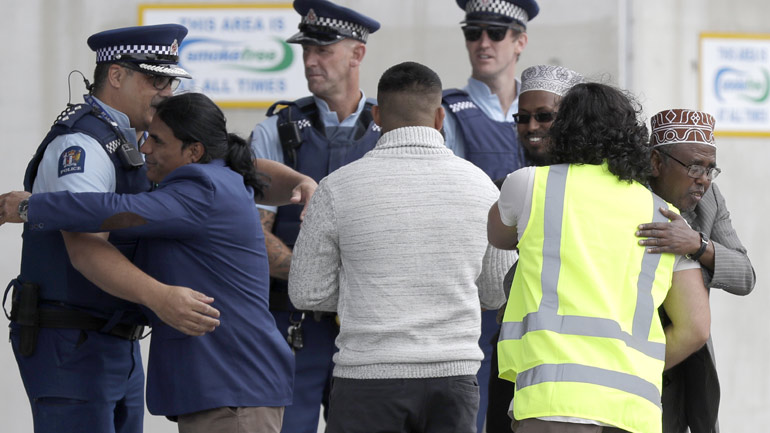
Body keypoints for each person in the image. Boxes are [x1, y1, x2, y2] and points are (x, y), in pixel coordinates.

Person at [0, 92, 320, 432]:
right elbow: (252, 169)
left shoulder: (201, 187)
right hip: (230, 388)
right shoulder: (221, 174)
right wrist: (301, 181)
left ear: (194, 151)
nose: (145, 148)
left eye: (157, 140)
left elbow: (118, 211)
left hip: (232, 390)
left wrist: (32, 207)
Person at [2, 24, 224, 433]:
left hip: (112, 337)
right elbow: (86, 250)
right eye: (155, 79)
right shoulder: (83, 144)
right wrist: (161, 298)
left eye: (171, 82)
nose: (166, 92)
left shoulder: (135, 139)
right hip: (73, 342)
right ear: (117, 76)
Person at [288, 61, 508, 433]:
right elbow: (496, 291)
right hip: (454, 380)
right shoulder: (481, 186)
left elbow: (307, 291)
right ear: (440, 117)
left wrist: (365, 291)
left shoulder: (337, 187)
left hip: (366, 380)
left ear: (376, 117)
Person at [488, 82, 711, 433]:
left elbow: (498, 236)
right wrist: (639, 368)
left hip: (554, 400)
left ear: (562, 131)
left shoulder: (530, 184)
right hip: (634, 408)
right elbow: (696, 328)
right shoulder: (665, 215)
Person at [248, 1, 380, 430]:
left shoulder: (392, 130)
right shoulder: (276, 130)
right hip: (292, 325)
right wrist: (325, 286)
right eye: (306, 50)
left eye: (322, 50)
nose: (309, 61)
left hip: (369, 329)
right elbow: (253, 235)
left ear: (357, 54)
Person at [442, 2, 538, 429]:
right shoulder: (448, 111)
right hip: (473, 290)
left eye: (496, 33)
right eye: (473, 32)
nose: (483, 43)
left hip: (538, 287)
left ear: (520, 41)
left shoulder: (548, 109)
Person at [635, 109, 756, 433]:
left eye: (710, 169)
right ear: (656, 163)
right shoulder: (628, 192)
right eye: (694, 167)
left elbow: (745, 275)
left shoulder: (709, 198)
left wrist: (697, 244)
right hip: (628, 350)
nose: (703, 179)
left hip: (684, 360)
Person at [487, 64, 584, 432]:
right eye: (522, 117)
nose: (531, 127)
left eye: (544, 116)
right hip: (517, 350)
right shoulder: (511, 185)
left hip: (577, 356)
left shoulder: (599, 185)